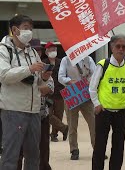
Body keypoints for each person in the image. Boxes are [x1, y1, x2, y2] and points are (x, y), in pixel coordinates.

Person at [0, 15, 52, 170]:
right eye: (25, 28)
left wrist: (43, 77)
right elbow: (4, 76)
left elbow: (37, 81)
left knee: (33, 156)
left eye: (30, 28)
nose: (29, 31)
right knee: (11, 155)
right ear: (15, 30)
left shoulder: (32, 52)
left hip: (34, 111)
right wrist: (29, 69)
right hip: (13, 110)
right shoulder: (3, 50)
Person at [90, 34, 125, 170]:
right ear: (111, 47)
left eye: (124, 47)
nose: (121, 49)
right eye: (118, 46)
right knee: (100, 146)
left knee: (119, 146)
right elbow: (92, 87)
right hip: (104, 111)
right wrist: (97, 104)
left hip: (121, 112)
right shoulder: (103, 65)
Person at [58, 55, 96, 160]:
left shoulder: (89, 59)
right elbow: (60, 77)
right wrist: (70, 81)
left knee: (93, 122)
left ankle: (97, 148)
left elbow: (95, 73)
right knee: (72, 124)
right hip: (72, 93)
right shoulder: (66, 60)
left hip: (85, 93)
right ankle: (74, 149)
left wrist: (88, 81)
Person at [43, 42, 68, 142]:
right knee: (48, 114)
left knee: (59, 114)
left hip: (60, 92)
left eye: (54, 49)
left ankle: (54, 135)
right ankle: (64, 128)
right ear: (46, 52)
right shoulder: (44, 62)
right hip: (48, 93)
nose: (53, 51)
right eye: (50, 50)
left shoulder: (61, 62)